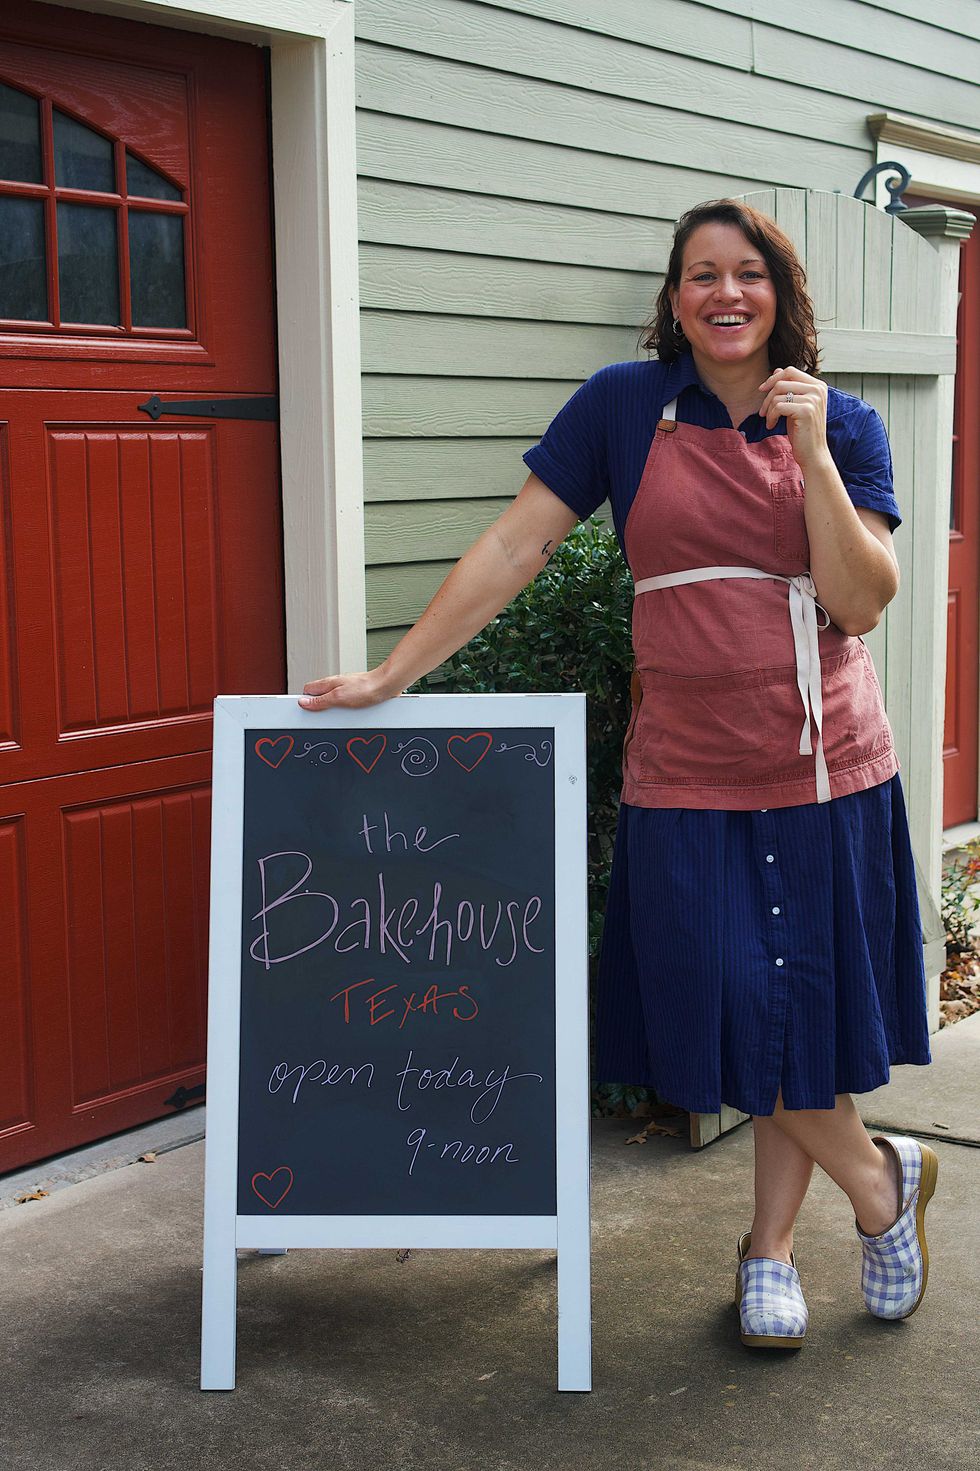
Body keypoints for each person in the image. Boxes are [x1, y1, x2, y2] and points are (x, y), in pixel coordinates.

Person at [297, 197, 937, 1350]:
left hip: (822, 768)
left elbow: (858, 600)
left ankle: (768, 1253)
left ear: (780, 295)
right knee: (723, 1001)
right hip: (684, 772)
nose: (724, 293)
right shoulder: (621, 406)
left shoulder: (840, 422)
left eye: (746, 273)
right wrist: (395, 672)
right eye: (700, 274)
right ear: (673, 300)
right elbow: (517, 542)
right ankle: (880, 1180)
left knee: (792, 1017)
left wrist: (808, 456)